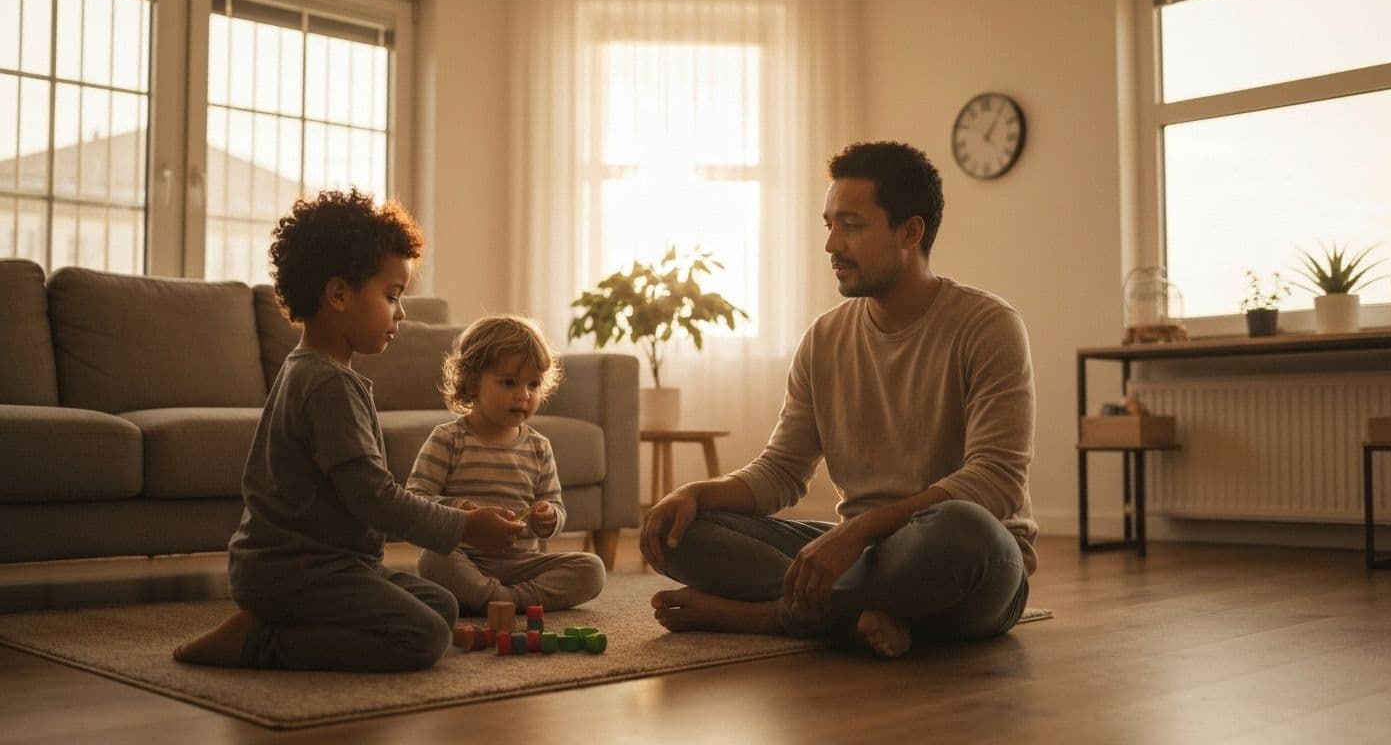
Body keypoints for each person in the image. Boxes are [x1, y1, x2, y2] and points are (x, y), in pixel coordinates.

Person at [641, 141, 1037, 658]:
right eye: (828, 224)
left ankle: (770, 618)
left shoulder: (988, 326)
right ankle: (863, 615)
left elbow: (995, 482)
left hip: (966, 558)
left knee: (964, 532)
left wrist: (859, 532)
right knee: (685, 533)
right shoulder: (824, 338)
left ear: (910, 232)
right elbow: (782, 471)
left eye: (850, 225)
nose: (831, 244)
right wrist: (696, 493)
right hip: (864, 557)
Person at [173, 189, 526, 672]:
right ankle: (257, 643)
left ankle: (275, 625)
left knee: (442, 607)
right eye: (392, 295)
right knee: (420, 638)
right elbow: (374, 499)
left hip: (331, 566)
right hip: (296, 574)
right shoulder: (326, 385)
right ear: (339, 294)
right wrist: (463, 526)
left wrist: (452, 511)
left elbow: (362, 493)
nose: (401, 313)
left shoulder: (316, 371)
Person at [407, 315, 606, 613]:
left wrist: (550, 517)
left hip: (521, 563)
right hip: (464, 557)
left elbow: (555, 504)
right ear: (472, 383)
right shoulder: (448, 439)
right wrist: (463, 512)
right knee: (431, 559)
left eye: (534, 384)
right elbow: (416, 501)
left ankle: (503, 600)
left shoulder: (539, 447)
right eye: (509, 382)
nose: (523, 395)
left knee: (591, 569)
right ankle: (505, 598)